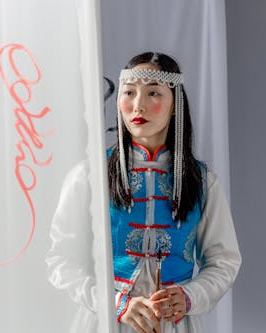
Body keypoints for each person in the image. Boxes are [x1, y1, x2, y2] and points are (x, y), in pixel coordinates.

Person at [46, 52, 241, 333]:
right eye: (129, 93)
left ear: (175, 104)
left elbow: (224, 260)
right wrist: (114, 303)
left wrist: (189, 297)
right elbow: (61, 259)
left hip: (174, 324)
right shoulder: (90, 176)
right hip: (108, 321)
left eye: (153, 93)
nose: (138, 105)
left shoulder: (201, 181)